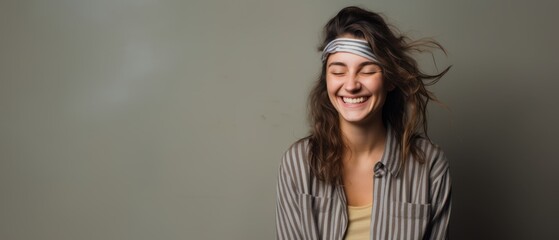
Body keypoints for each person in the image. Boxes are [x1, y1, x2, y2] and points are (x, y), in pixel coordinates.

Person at [275, 6, 452, 240]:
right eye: (338, 72)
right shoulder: (298, 164)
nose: (351, 85)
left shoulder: (430, 166)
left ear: (389, 79)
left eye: (367, 71)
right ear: (326, 81)